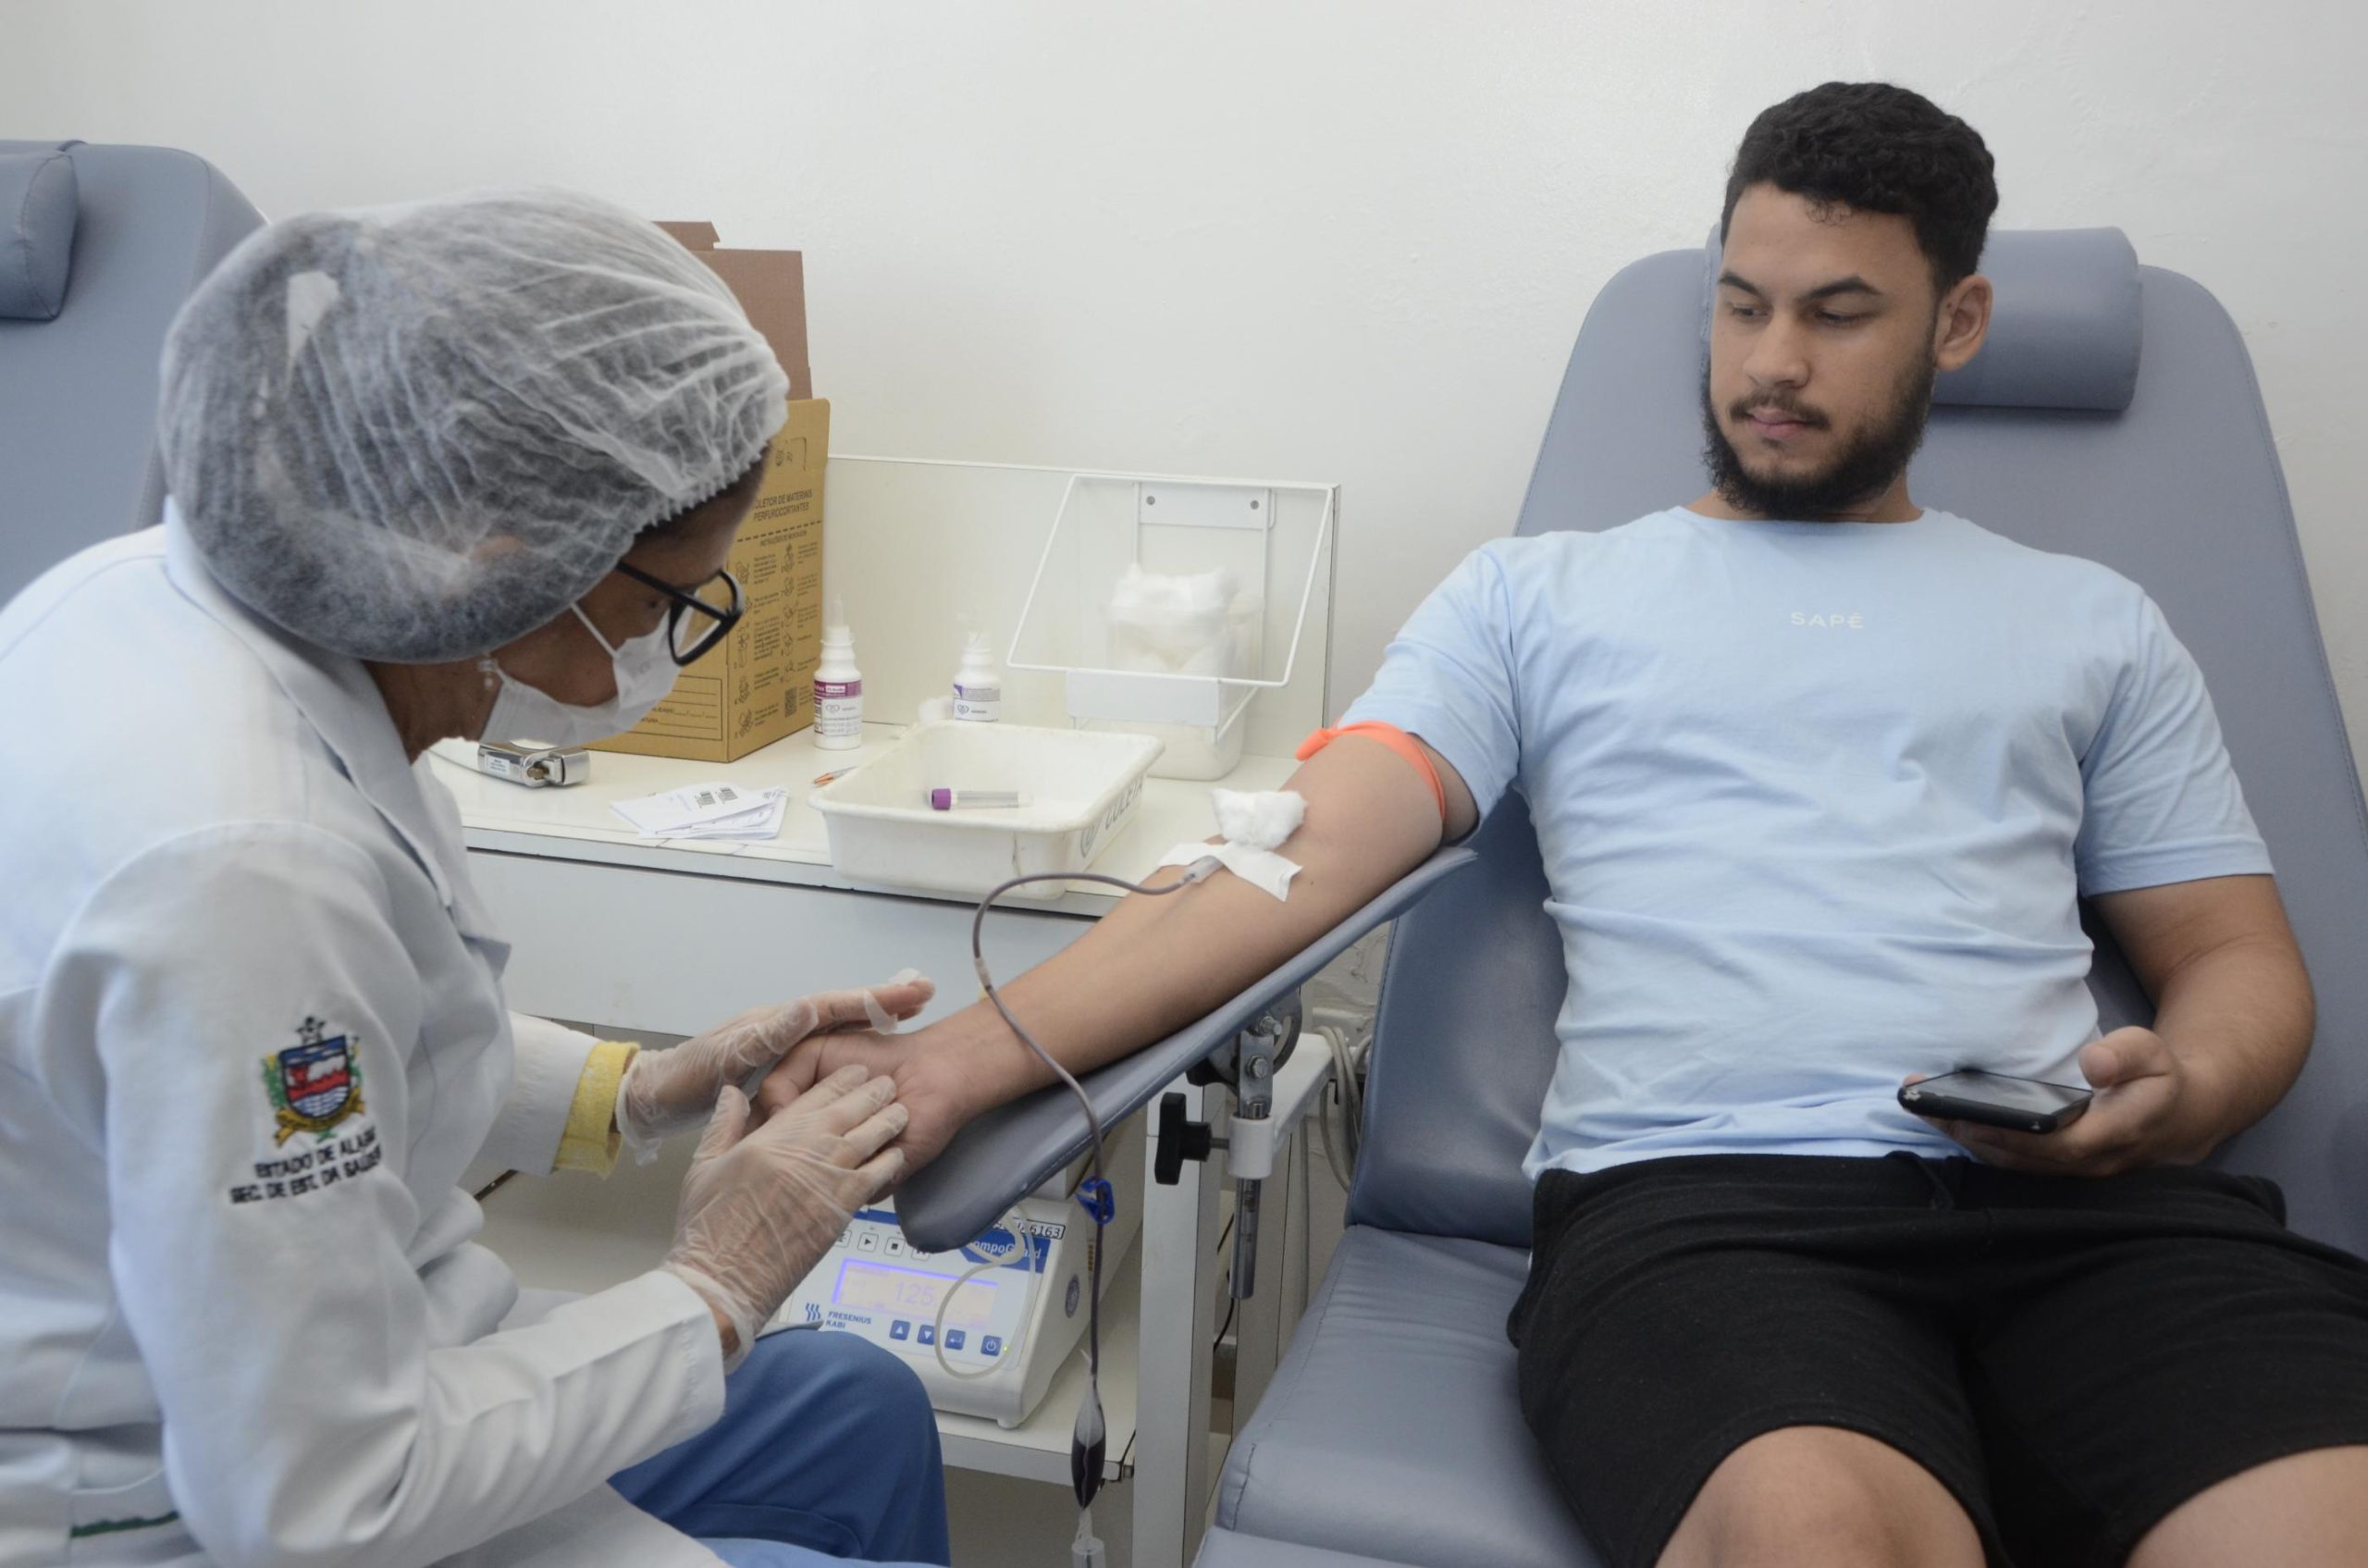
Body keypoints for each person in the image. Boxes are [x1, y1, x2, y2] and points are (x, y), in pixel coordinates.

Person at [764, 84, 2368, 1568]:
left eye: (1837, 313)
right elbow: (1290, 851)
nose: (1772, 362)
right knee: (1820, 1541)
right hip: (1714, 1219)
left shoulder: (2092, 623)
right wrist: (951, 1062)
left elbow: (2241, 964)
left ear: (1959, 323)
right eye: (1741, 305)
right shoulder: (1538, 599)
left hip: (2094, 1222)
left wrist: (2184, 1091)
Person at [0, 191, 950, 1568]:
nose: (657, 654)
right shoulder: (244, 872)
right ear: (497, 567)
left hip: (349, 1382)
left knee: (851, 1402)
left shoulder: (159, 591)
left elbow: (315, 1056)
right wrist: (719, 1281)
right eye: (659, 604)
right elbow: (321, 1504)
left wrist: (639, 1087)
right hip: (201, 1501)